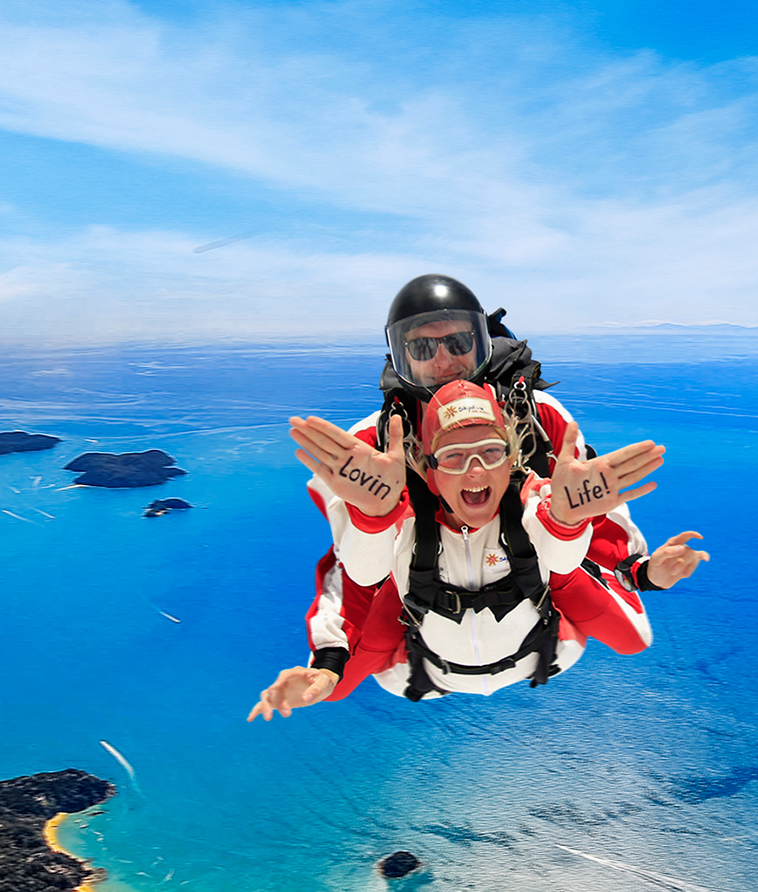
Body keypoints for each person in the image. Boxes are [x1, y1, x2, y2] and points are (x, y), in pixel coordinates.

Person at [298, 275, 666, 700]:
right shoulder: (368, 446)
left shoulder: (538, 419)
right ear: (401, 357)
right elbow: (353, 571)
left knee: (629, 632)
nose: (444, 361)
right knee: (337, 683)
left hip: (531, 588)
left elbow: (591, 503)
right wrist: (329, 659)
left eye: (457, 343)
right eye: (422, 347)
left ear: (481, 345)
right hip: (423, 607)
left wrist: (635, 567)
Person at [249, 382, 709, 719]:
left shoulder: (534, 500)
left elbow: (567, 558)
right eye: (453, 457)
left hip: (539, 652)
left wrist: (573, 524)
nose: (474, 471)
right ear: (427, 470)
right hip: (426, 670)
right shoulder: (408, 519)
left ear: (511, 458)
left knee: (632, 636)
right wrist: (326, 669)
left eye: (489, 453)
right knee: (336, 678)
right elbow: (357, 579)